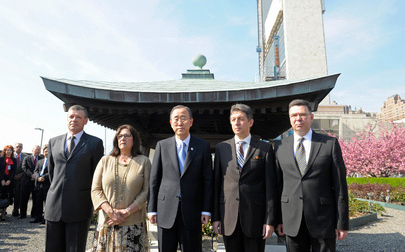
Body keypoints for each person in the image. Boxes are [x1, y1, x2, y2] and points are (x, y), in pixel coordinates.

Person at [275, 99, 349, 252]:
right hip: (291, 220)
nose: (298, 119)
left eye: (302, 114)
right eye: (294, 115)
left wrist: (342, 223)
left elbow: (340, 187)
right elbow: (277, 185)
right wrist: (277, 219)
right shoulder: (280, 147)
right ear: (289, 118)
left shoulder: (329, 144)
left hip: (323, 219)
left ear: (311, 117)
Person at [212, 103, 278, 252]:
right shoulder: (222, 148)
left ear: (250, 122)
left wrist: (269, 221)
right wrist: (216, 217)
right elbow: (217, 185)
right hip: (229, 217)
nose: (236, 123)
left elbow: (270, 187)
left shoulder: (264, 148)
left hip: (255, 217)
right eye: (233, 119)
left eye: (241, 119)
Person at [148, 105, 213, 252]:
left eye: (183, 118)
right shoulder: (162, 146)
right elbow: (154, 180)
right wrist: (152, 209)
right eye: (176, 119)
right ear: (171, 123)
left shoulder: (202, 146)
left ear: (191, 121)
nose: (180, 122)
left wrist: (206, 210)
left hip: (192, 210)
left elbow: (207, 180)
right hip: (165, 211)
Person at [45, 105, 104, 251]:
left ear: (86, 121)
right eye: (71, 116)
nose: (74, 120)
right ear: (67, 120)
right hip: (54, 206)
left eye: (78, 117)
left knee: (75, 248)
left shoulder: (94, 143)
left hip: (79, 206)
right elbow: (52, 173)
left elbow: (96, 176)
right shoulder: (53, 142)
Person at [91, 124, 151, 251]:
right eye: (120, 136)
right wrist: (111, 212)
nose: (122, 138)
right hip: (107, 223)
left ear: (134, 139)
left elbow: (147, 190)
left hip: (133, 225)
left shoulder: (144, 161)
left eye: (127, 136)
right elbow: (95, 189)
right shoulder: (105, 161)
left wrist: (127, 211)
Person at [20, 145, 42, 219]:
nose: (37, 151)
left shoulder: (41, 159)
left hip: (36, 182)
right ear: (32, 150)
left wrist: (35, 176)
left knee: (35, 199)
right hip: (26, 181)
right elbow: (24, 167)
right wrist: (31, 175)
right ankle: (22, 214)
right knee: (24, 198)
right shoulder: (27, 158)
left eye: (39, 150)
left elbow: (41, 170)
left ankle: (34, 214)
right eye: (36, 149)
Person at [31, 145, 50, 224]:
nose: (47, 153)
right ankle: (37, 217)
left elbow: (52, 172)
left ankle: (45, 219)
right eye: (45, 151)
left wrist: (44, 177)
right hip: (38, 185)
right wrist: (38, 177)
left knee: (47, 203)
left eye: (49, 151)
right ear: (43, 152)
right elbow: (35, 171)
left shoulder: (53, 161)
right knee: (38, 202)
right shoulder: (40, 161)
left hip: (47, 184)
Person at [0, 145, 17, 221]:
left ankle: (3, 214)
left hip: (9, 182)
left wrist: (9, 180)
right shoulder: (1, 159)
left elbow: (14, 172)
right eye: (7, 150)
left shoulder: (14, 160)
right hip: (1, 181)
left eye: (10, 150)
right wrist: (2, 180)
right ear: (4, 151)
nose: (8, 151)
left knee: (6, 197)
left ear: (12, 151)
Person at [13, 143, 26, 217]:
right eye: (17, 147)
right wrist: (13, 176)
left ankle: (16, 211)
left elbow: (27, 168)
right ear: (14, 148)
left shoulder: (26, 157)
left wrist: (21, 175)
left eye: (20, 147)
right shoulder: (10, 155)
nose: (19, 148)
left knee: (18, 196)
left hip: (21, 179)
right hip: (11, 179)